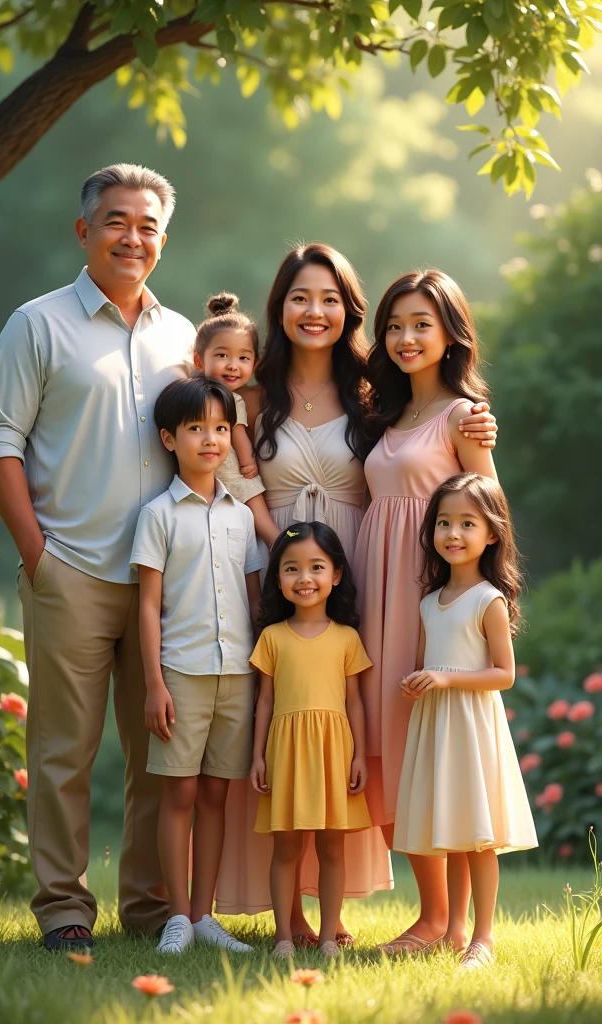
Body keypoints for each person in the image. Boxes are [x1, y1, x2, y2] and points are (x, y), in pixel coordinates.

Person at [217, 245, 496, 945]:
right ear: (278, 307)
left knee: (370, 730)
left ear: (350, 311)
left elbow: (471, 491)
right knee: (291, 723)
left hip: (371, 576)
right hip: (284, 564)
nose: (316, 312)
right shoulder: (257, 393)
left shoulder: (374, 394)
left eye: (331, 299)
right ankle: (294, 915)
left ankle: (427, 919)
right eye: (300, 298)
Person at [0, 163, 196, 950]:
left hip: (162, 584)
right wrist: (38, 557)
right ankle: (64, 910)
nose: (131, 237)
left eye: (147, 226)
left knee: (158, 756)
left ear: (162, 242)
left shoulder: (182, 338)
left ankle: (149, 908)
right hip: (71, 570)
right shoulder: (37, 324)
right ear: (84, 231)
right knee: (63, 753)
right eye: (116, 221)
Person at [353, 268, 501, 955]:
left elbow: (487, 509)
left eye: (422, 324)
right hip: (378, 592)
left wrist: (473, 607)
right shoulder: (385, 412)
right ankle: (435, 917)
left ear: (449, 335)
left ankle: (443, 924)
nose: (407, 337)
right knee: (391, 749)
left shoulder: (463, 415)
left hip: (431, 600)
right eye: (395, 325)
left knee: (431, 748)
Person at [131, 376, 262, 954]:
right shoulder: (158, 515)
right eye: (195, 429)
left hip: (238, 673)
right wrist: (154, 683)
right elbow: (148, 603)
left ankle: (206, 915)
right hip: (181, 673)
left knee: (216, 796)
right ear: (169, 438)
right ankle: (178, 917)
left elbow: (256, 600)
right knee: (178, 794)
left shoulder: (242, 517)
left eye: (220, 428)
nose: (211, 440)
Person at [394, 473, 537, 968]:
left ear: (492, 533)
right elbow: (428, 662)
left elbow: (505, 674)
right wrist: (419, 681)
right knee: (453, 831)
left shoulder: (488, 600)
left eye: (467, 523)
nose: (453, 533)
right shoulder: (428, 602)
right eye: (443, 523)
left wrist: (445, 678)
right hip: (439, 726)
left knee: (478, 836)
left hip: (473, 726)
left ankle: (483, 937)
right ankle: (453, 931)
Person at [250, 522, 372, 959]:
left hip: (334, 752)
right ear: (278, 578)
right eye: (291, 569)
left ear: (336, 574)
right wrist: (257, 757)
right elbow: (263, 702)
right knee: (286, 847)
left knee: (331, 847)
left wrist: (359, 755)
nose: (304, 578)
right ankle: (283, 935)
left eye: (316, 567)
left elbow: (355, 702)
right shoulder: (271, 637)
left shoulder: (347, 637)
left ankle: (326, 939)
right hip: (285, 753)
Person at [193, 293, 278, 546]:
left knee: (253, 504)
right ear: (198, 360)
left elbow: (239, 432)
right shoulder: (194, 396)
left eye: (243, 358)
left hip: (233, 471)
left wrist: (246, 461)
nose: (233, 365)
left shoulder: (234, 400)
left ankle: (277, 540)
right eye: (222, 356)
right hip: (211, 474)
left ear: (255, 364)